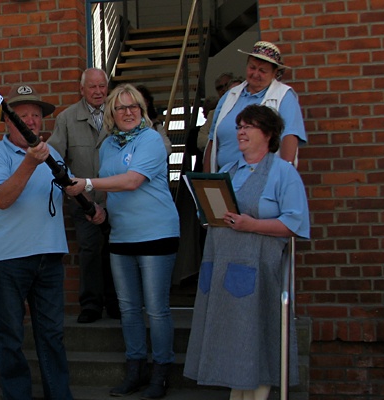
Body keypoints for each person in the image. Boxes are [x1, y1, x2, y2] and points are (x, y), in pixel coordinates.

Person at [0, 84, 102, 400]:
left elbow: (70, 187)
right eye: (23, 116)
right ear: (9, 123)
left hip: (49, 256)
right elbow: (3, 199)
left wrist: (90, 205)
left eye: (36, 115)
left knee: (52, 335)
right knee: (10, 337)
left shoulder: (53, 154)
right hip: (9, 260)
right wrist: (30, 162)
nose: (31, 121)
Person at [184, 104, 310, 400]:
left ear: (268, 134)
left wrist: (252, 224)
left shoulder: (283, 173)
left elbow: (294, 223)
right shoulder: (228, 170)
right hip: (225, 269)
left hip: (259, 271)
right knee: (233, 341)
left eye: (248, 126)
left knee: (255, 339)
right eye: (239, 126)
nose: (240, 131)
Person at [66, 84, 180, 399]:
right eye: (121, 108)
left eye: (134, 107)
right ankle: (136, 369)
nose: (128, 112)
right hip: (122, 235)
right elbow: (112, 188)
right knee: (129, 309)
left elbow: (132, 181)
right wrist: (99, 207)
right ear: (112, 115)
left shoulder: (152, 140)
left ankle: (161, 372)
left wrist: (87, 182)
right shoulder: (108, 146)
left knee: (156, 310)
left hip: (156, 233)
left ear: (142, 111)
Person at [48, 67, 119, 323]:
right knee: (89, 250)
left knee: (116, 249)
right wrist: (77, 195)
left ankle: (115, 303)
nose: (99, 91)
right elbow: (56, 160)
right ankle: (90, 305)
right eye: (93, 87)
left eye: (102, 86)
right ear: (82, 90)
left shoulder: (118, 114)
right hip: (84, 201)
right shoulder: (67, 119)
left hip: (117, 199)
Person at [203, 41, 307, 173]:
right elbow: (212, 141)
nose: (256, 74)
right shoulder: (230, 96)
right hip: (224, 178)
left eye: (263, 71)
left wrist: (284, 176)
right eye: (252, 67)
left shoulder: (284, 96)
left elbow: (289, 136)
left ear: (275, 72)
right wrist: (207, 179)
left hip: (262, 179)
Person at [136, 85, 173, 156]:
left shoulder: (156, 125)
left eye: (142, 101)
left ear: (147, 103)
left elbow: (167, 148)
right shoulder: (125, 127)